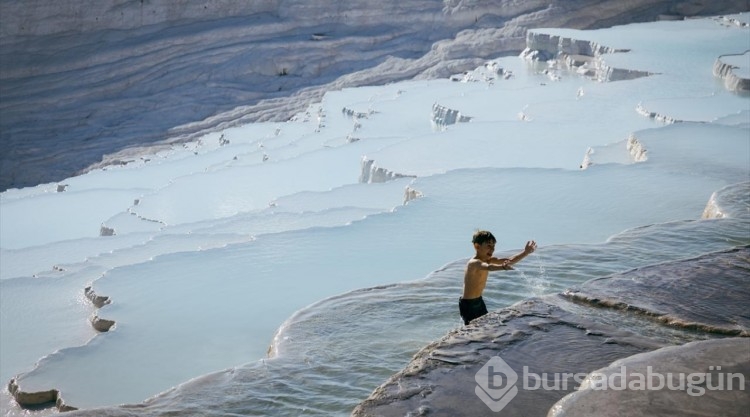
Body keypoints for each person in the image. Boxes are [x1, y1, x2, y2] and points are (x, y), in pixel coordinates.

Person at [459, 230, 537, 325]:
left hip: (479, 301)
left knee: (484, 325)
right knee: (472, 328)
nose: (492, 249)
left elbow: (509, 260)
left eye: (493, 246)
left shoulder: (488, 260)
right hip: (468, 304)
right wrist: (502, 267)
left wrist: (525, 252)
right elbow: (489, 267)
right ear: (477, 246)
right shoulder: (474, 263)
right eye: (488, 246)